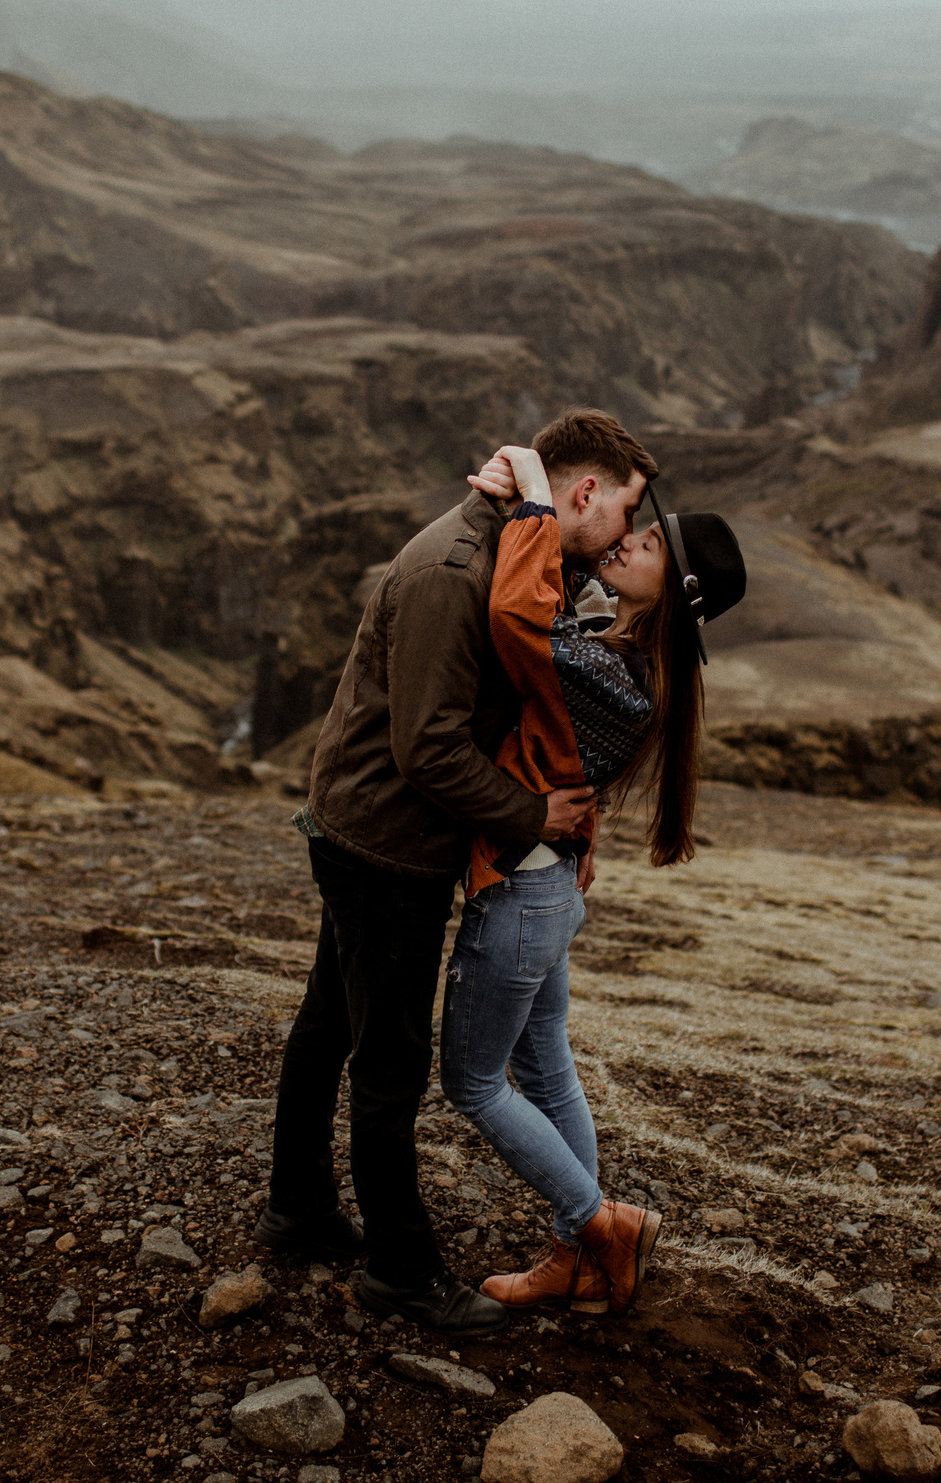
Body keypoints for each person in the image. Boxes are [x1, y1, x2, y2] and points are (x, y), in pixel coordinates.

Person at [262, 409, 660, 1335]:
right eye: (627, 510)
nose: (626, 534)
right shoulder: (457, 569)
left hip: (374, 823)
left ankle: (298, 1208)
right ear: (586, 492)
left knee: (330, 1020)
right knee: (391, 1060)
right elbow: (428, 746)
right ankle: (400, 1272)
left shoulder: (517, 545)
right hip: (386, 839)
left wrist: (527, 486)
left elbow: (542, 647)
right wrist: (532, 814)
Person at [440, 444, 746, 1316]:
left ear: (674, 593)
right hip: (548, 891)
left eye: (649, 546)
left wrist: (538, 497)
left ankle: (599, 1224)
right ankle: (578, 1255)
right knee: (546, 1065)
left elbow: (519, 619)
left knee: (472, 1081)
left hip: (523, 898)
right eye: (639, 529)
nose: (627, 541)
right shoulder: (626, 656)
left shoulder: (619, 677)